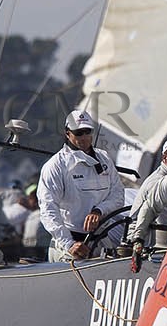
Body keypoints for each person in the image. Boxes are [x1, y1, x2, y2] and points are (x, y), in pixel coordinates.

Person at [37, 110, 125, 262]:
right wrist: (69, 244)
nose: (84, 137)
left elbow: (118, 195)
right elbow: (47, 210)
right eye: (78, 133)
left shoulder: (104, 158)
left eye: (87, 131)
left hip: (102, 242)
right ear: (67, 133)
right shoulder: (55, 165)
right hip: (70, 247)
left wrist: (99, 211)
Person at [19, 184, 51, 262]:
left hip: (34, 251)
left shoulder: (32, 215)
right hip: (38, 252)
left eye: (30, 198)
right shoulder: (33, 215)